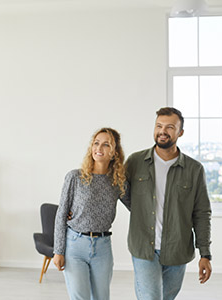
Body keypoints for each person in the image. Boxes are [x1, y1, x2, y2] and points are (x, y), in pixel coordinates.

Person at [124, 107, 212, 300]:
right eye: (159, 126)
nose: (162, 131)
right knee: (151, 297)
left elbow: (202, 213)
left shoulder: (194, 169)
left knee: (166, 298)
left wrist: (205, 254)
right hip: (143, 249)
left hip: (177, 249)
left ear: (180, 132)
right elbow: (117, 190)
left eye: (170, 127)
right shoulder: (135, 162)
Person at [53, 127, 127, 300]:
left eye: (106, 145)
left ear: (114, 153)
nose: (99, 148)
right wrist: (58, 250)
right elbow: (61, 213)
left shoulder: (118, 182)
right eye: (96, 143)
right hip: (75, 246)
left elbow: (137, 206)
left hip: (103, 248)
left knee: (102, 297)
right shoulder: (75, 177)